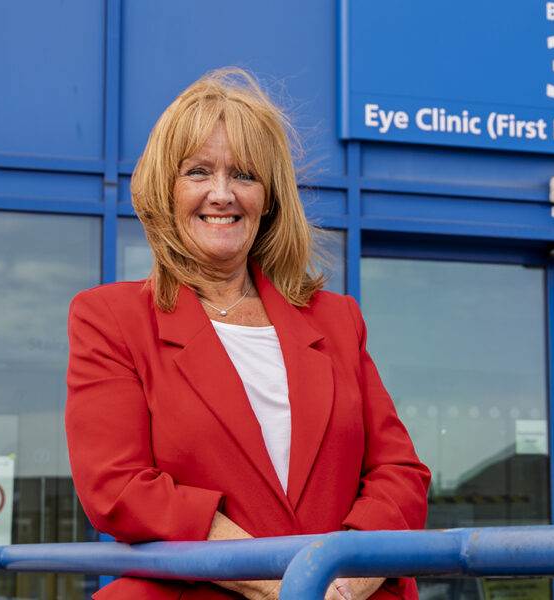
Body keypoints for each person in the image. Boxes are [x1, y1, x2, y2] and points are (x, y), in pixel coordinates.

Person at [65, 68, 431, 600]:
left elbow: (399, 473)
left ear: (269, 199)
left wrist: (339, 584)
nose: (222, 194)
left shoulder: (337, 319)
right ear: (164, 191)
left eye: (244, 175)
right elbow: (118, 487)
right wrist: (283, 585)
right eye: (197, 171)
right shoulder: (111, 318)